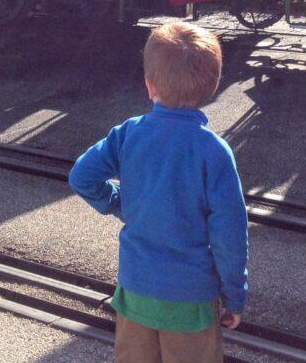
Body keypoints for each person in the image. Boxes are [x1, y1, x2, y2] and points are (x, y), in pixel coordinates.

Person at [69, 22, 248, 363]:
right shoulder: (214, 151)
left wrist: (121, 203)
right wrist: (234, 296)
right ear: (212, 86)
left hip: (135, 292)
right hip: (191, 301)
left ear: (150, 86)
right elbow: (230, 235)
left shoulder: (128, 135)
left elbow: (82, 176)